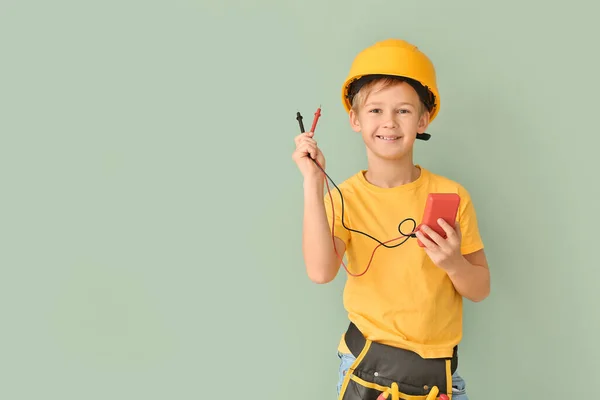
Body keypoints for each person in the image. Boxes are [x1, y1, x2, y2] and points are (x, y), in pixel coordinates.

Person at [292, 39, 490, 400]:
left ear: (423, 119)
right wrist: (313, 184)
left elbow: (480, 288)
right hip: (368, 372)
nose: (389, 123)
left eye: (403, 111)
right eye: (375, 111)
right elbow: (321, 272)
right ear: (355, 119)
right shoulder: (344, 197)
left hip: (440, 380)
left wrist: (453, 263)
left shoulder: (452, 196)